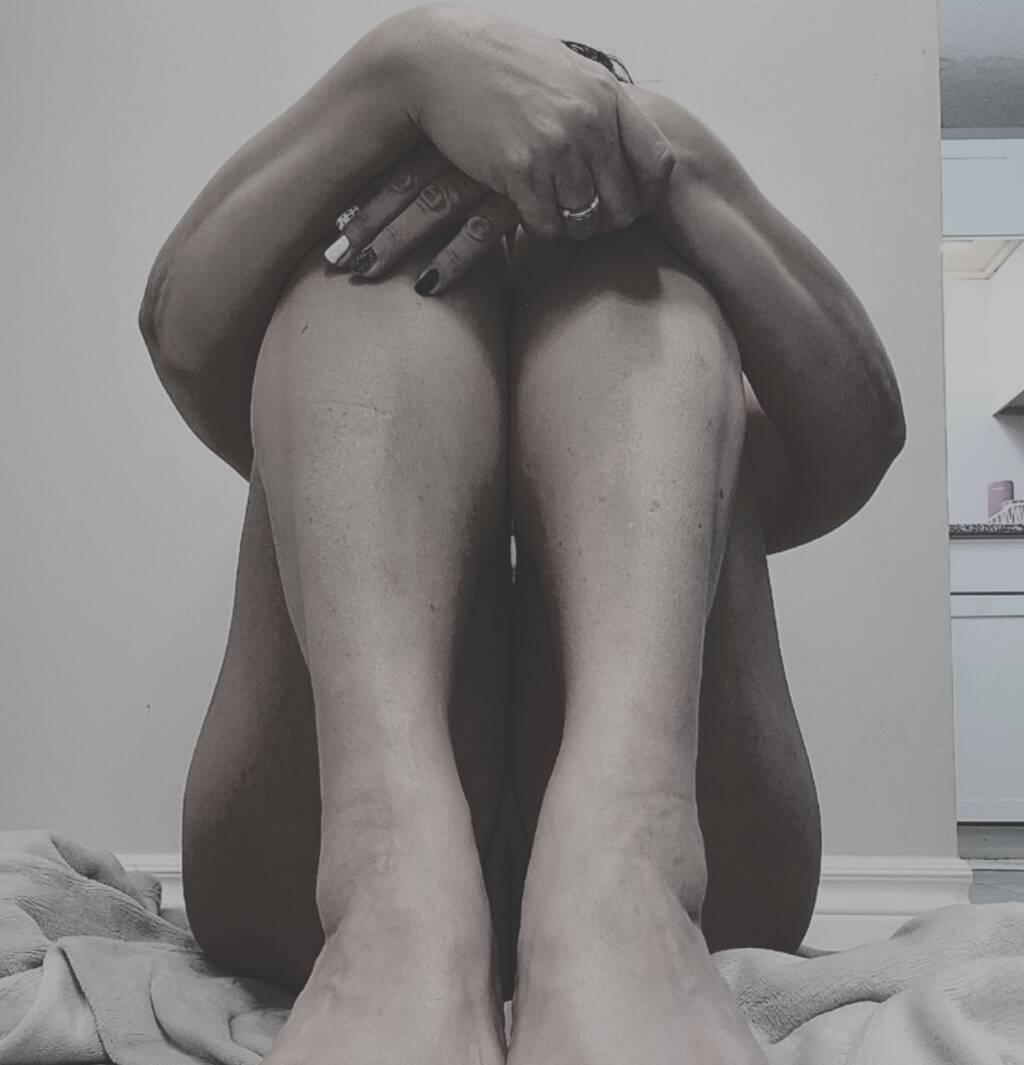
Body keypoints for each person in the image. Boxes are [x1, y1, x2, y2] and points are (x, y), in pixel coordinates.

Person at [139, 7, 906, 1065]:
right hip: (310, 860)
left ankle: (627, 867)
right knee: (359, 280)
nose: (509, 203)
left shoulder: (670, 381)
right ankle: (388, 877)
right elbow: (180, 332)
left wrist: (665, 160)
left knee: (641, 293)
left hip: (702, 866)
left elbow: (860, 437)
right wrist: (404, 72)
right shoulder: (340, 375)